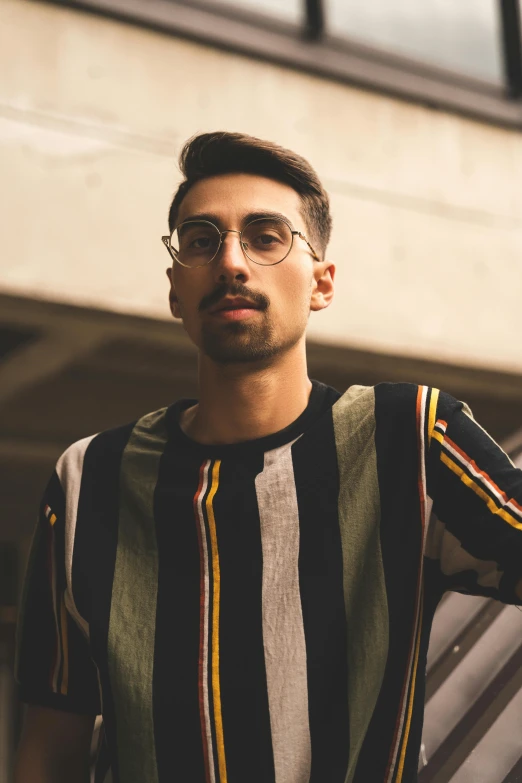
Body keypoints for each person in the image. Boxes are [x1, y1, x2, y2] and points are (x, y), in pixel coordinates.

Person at [14, 131, 522, 783]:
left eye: (265, 235)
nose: (232, 261)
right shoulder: (89, 478)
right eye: (202, 239)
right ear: (175, 288)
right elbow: (49, 746)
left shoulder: (412, 439)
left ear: (321, 282)